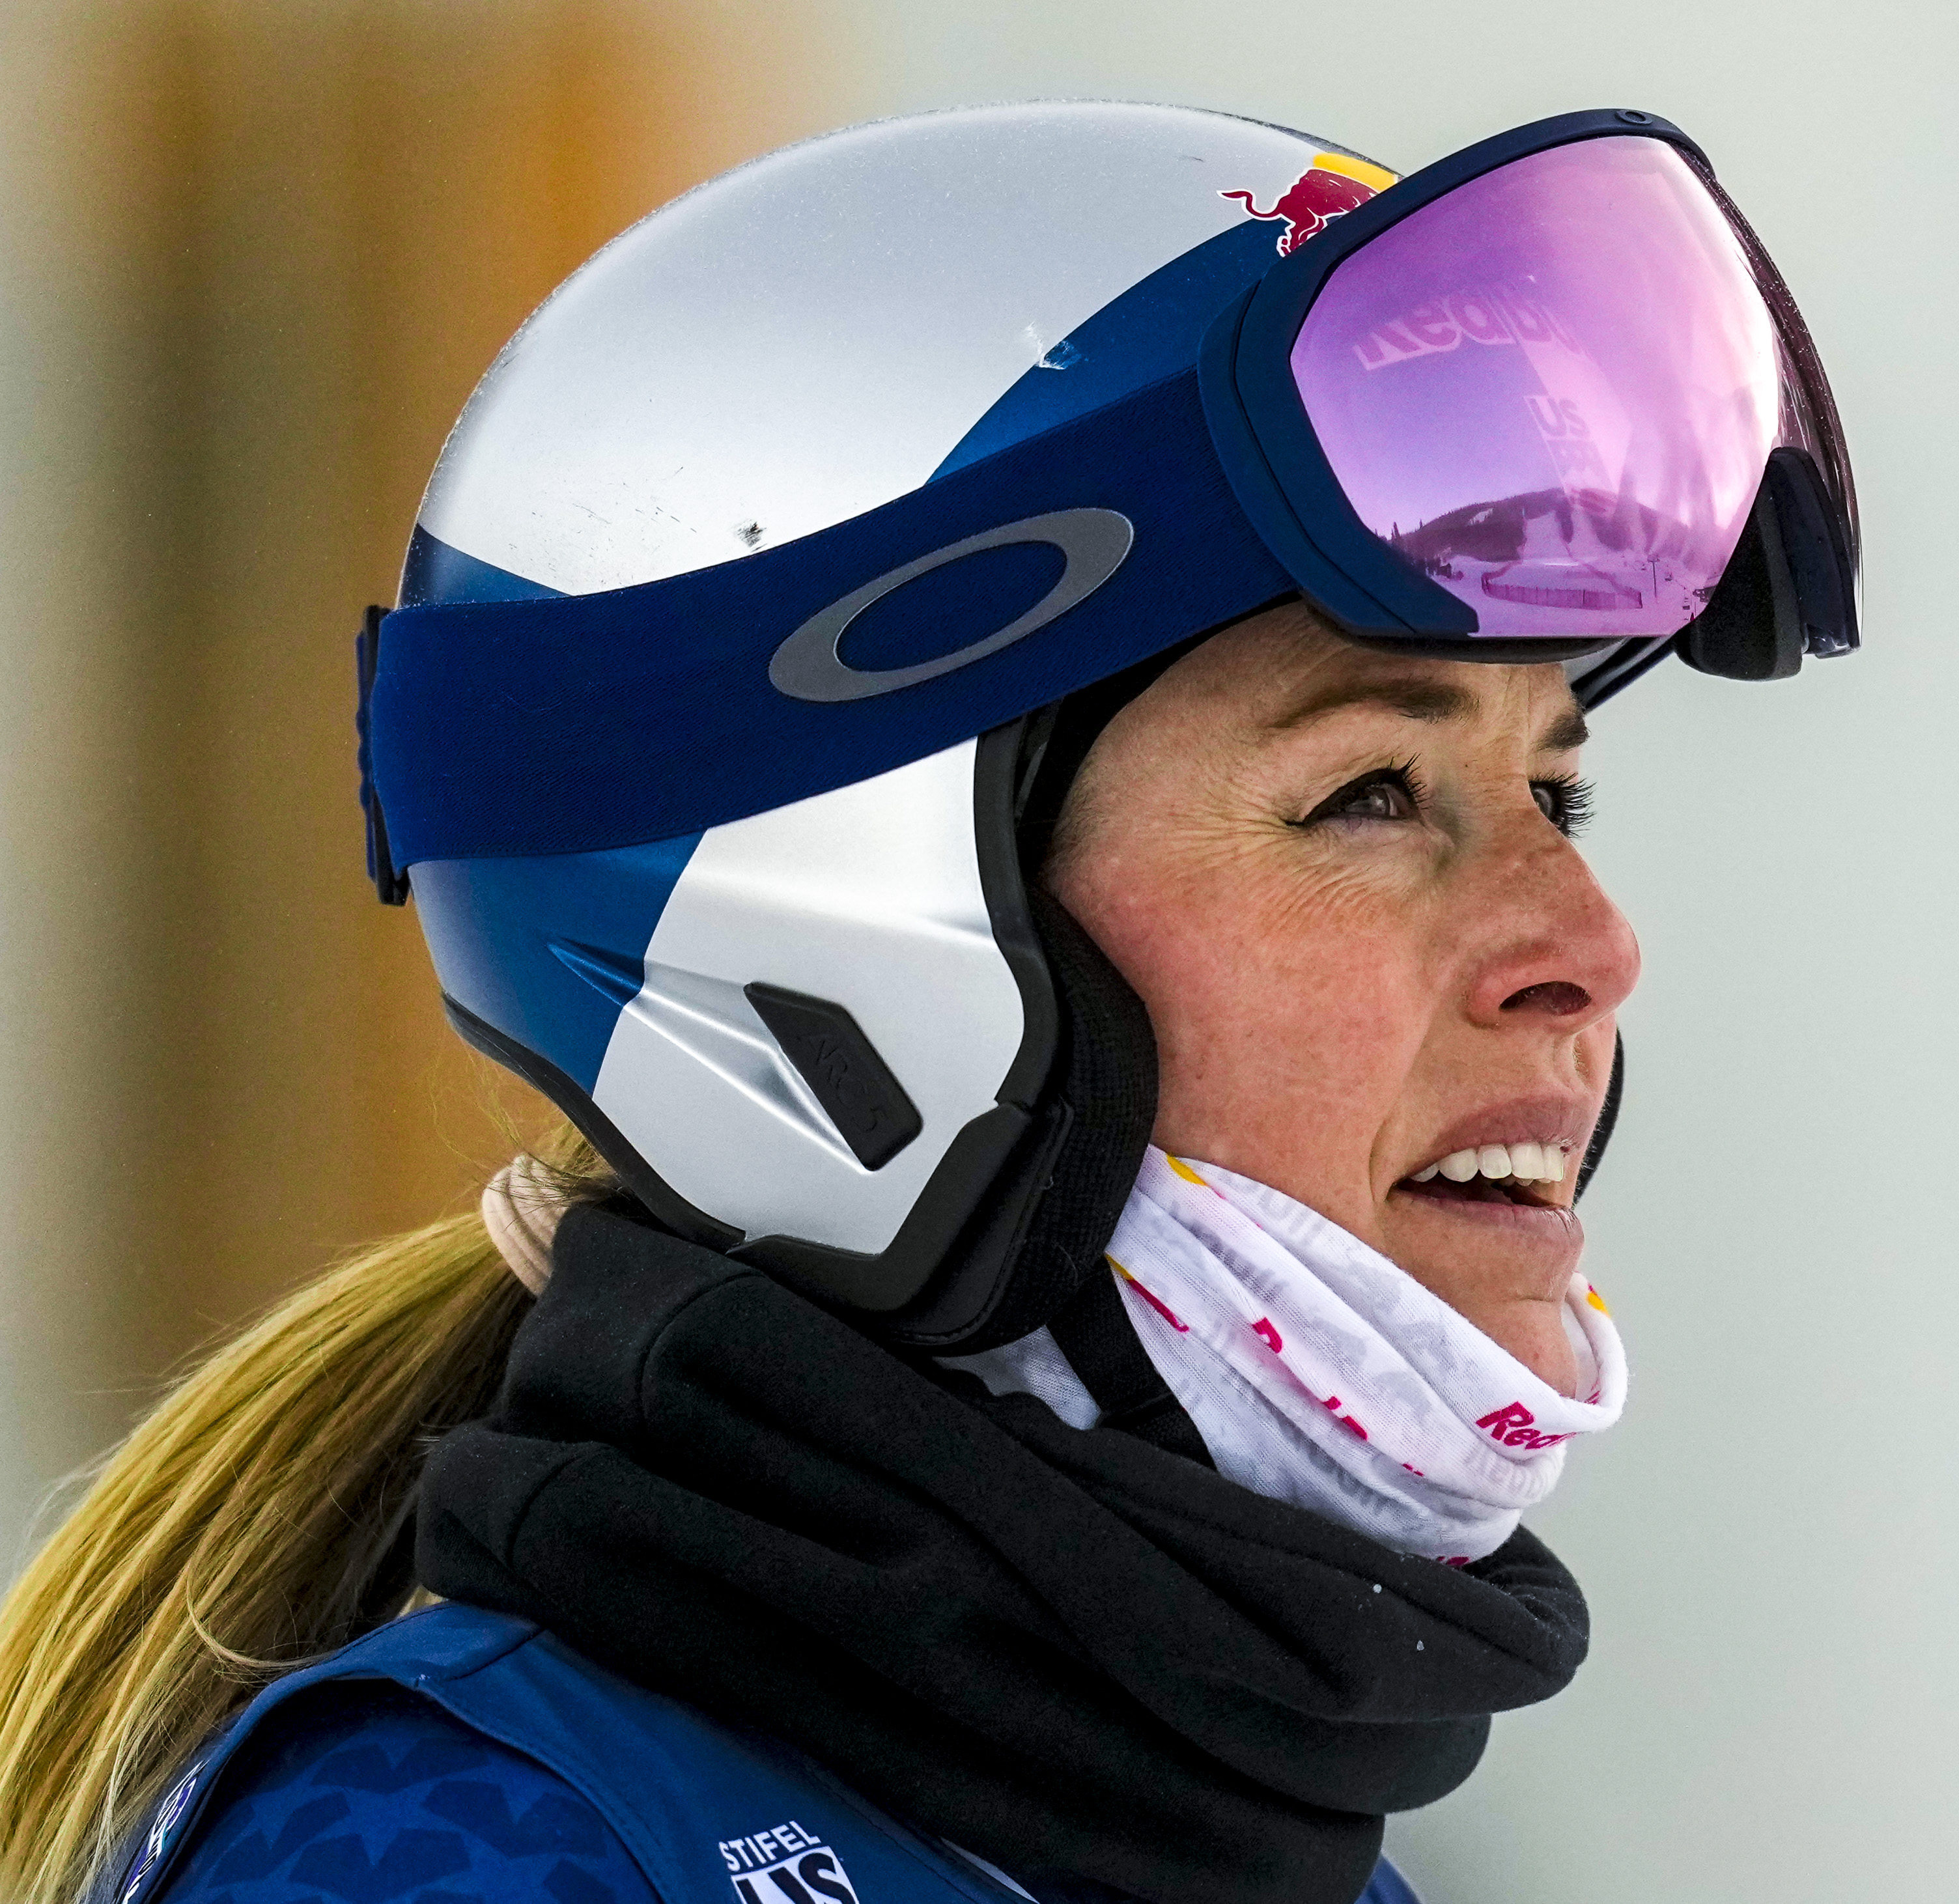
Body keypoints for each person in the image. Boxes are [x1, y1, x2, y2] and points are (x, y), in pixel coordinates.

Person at [0, 101, 1859, 1904]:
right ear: (837, 915)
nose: (1585, 939)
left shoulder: (1304, 1865)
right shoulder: (481, 1856)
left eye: (1560, 788)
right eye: (1369, 795)